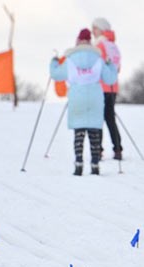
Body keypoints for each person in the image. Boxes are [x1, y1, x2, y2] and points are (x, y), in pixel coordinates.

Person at [49, 28, 117, 176]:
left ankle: (79, 162)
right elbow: (110, 79)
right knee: (94, 132)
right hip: (95, 98)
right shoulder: (98, 58)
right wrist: (111, 65)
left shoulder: (70, 59)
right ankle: (94, 163)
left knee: (79, 132)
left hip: (77, 97)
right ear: (90, 41)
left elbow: (56, 74)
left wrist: (53, 62)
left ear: (78, 40)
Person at [92, 17, 123, 160]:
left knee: (98, 118)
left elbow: (96, 66)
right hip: (113, 87)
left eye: (95, 28)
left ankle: (98, 150)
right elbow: (118, 68)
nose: (93, 31)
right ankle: (117, 149)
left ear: (102, 29)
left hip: (100, 86)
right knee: (110, 118)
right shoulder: (113, 46)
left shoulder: (100, 45)